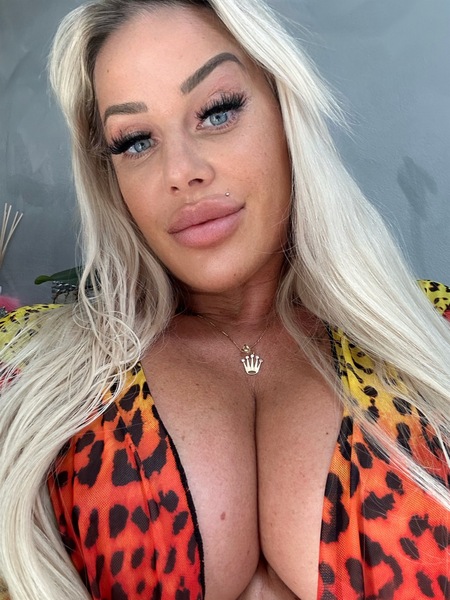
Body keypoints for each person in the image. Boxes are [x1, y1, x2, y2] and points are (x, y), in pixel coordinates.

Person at [0, 0, 449, 598]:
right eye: (135, 141)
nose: (181, 171)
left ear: (285, 113)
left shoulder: (436, 333)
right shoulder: (27, 366)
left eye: (217, 111)